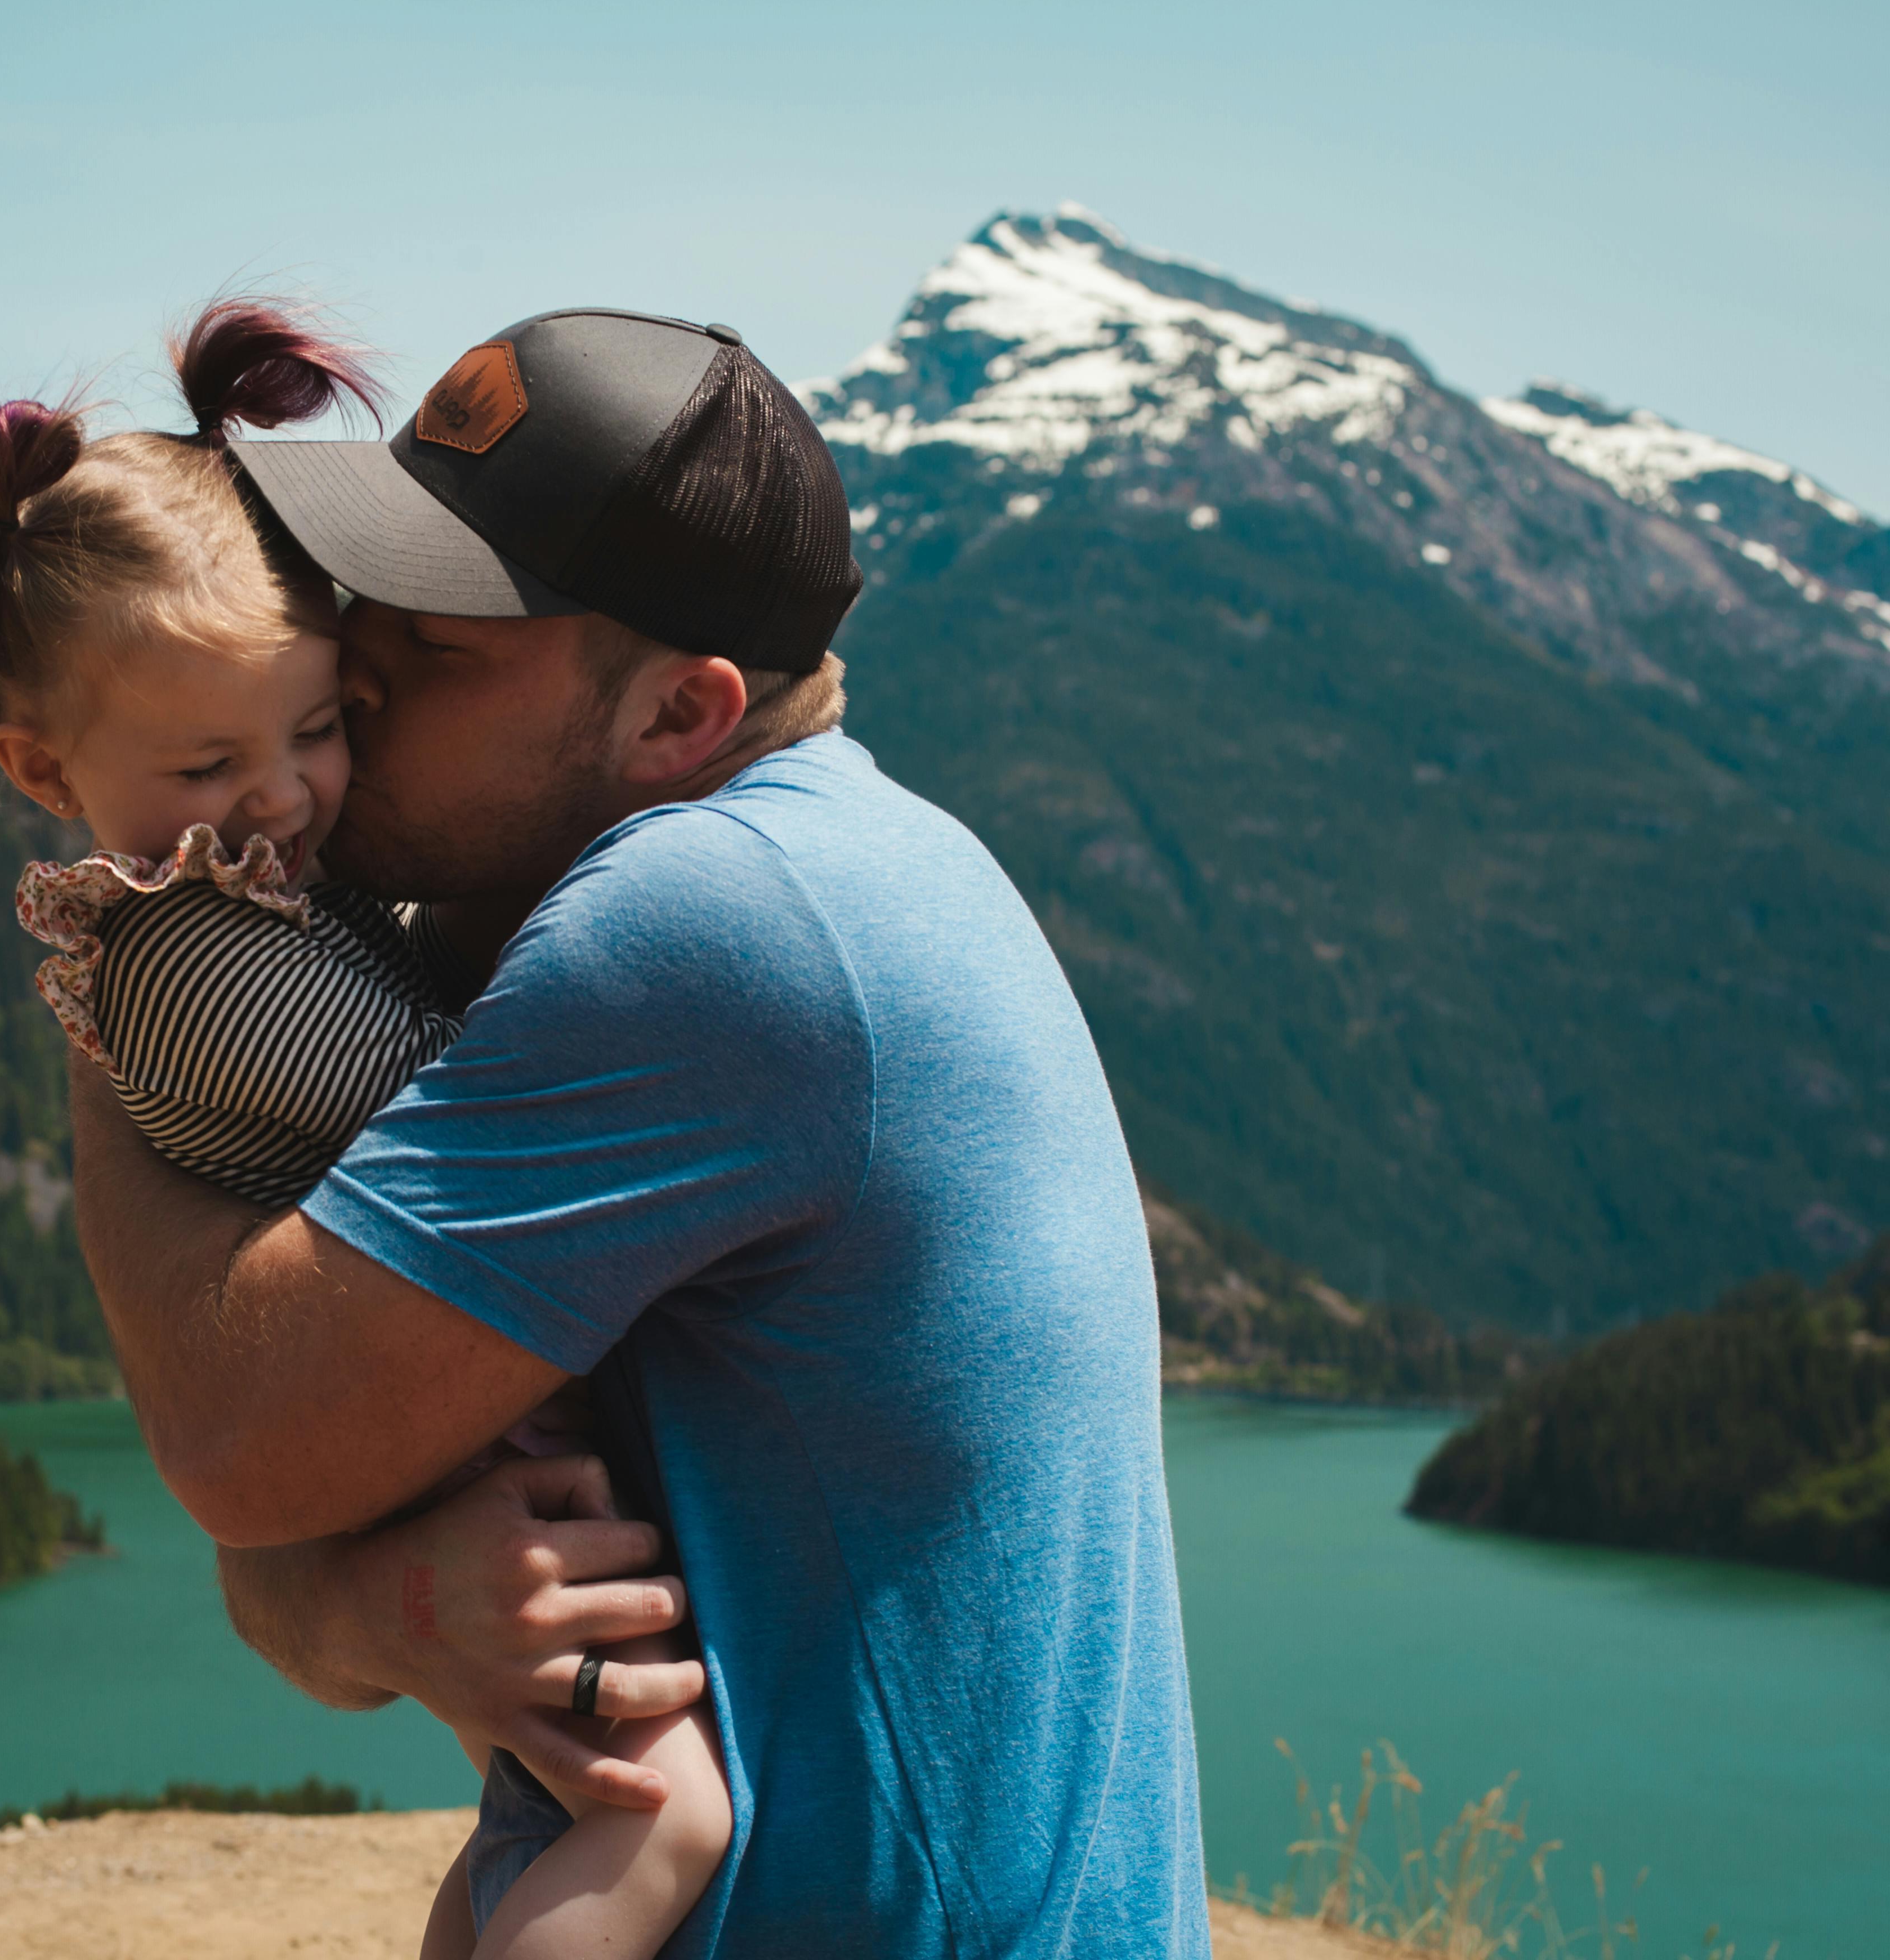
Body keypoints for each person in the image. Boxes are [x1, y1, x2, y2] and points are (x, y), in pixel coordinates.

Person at [64, 308, 1212, 1956]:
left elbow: (245, 1446)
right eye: (370, 589)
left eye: (446, 636)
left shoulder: (711, 924)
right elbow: (301, 1531)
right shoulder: (851, 855)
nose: (356, 662)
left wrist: (128, 946)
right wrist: (385, 1602)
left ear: (682, 715)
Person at [0, 298, 731, 1960]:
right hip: (448, 1438)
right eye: (216, 760)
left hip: (426, 1418)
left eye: (321, 726)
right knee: (661, 1812)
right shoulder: (196, 955)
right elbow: (451, 1098)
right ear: (36, 765)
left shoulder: (231, 890)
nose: (287, 796)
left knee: (547, 1805)